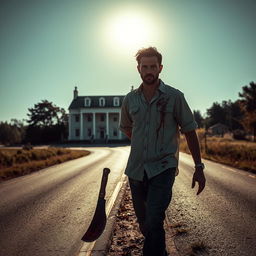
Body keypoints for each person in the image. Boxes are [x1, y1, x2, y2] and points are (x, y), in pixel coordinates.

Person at [119, 47, 206, 256]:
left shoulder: (175, 97)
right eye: (144, 67)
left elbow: (189, 131)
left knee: (154, 218)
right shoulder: (130, 99)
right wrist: (144, 143)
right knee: (145, 224)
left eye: (153, 66)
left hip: (164, 167)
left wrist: (199, 166)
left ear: (160, 68)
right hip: (136, 170)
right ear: (138, 69)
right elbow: (127, 127)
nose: (149, 70)